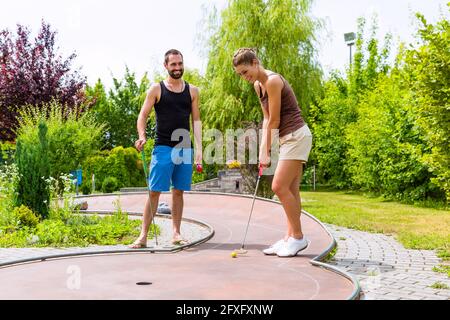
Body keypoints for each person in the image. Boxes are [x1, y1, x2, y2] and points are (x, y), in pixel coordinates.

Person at [232, 48, 313, 257]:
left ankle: (298, 237)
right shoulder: (258, 86)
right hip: (287, 139)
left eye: (245, 71)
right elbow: (267, 119)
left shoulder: (272, 81)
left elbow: (276, 120)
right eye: (240, 74)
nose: (244, 77)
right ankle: (289, 238)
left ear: (255, 62)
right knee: (291, 190)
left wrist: (267, 151)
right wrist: (262, 150)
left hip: (296, 136)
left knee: (278, 186)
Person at [130, 49, 202, 248]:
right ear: (166, 66)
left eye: (180, 64)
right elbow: (142, 116)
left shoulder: (192, 91)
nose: (177, 68)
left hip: (185, 148)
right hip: (162, 147)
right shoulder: (156, 89)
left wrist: (199, 150)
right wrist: (142, 136)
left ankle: (176, 233)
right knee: (154, 191)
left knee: (178, 191)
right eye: (173, 65)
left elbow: (196, 121)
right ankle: (143, 236)